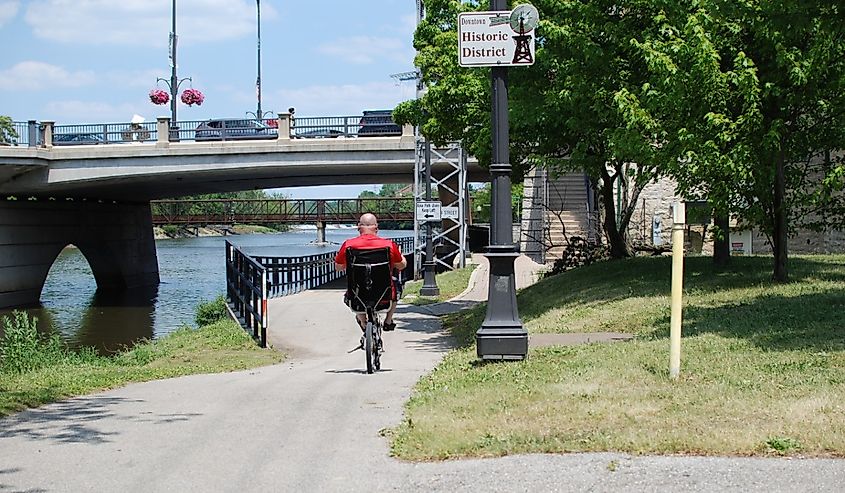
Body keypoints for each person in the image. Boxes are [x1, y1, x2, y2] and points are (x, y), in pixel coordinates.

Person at [335, 213, 407, 333]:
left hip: (358, 294)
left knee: (349, 295)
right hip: (384, 294)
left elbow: (338, 267)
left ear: (359, 227)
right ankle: (388, 320)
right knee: (397, 285)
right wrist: (402, 256)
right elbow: (401, 265)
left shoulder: (348, 245)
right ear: (376, 228)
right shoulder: (388, 245)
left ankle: (363, 322)